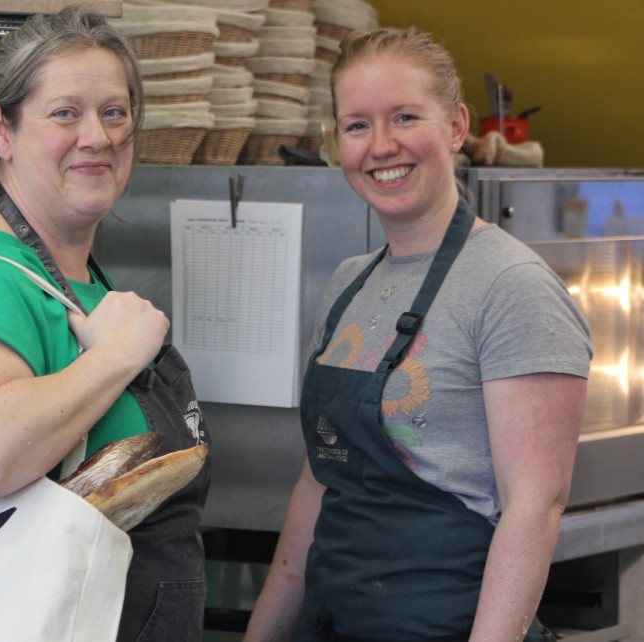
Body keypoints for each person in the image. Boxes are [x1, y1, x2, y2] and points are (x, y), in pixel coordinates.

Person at [244, 27, 592, 642]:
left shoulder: (510, 285)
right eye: (356, 126)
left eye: (404, 117)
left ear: (456, 127)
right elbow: (318, 481)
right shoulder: (350, 281)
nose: (380, 146)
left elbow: (535, 508)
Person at [0, 7, 211, 642]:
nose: (98, 136)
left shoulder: (73, 276)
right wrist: (116, 357)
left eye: (114, 112)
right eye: (66, 113)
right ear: (2, 129)